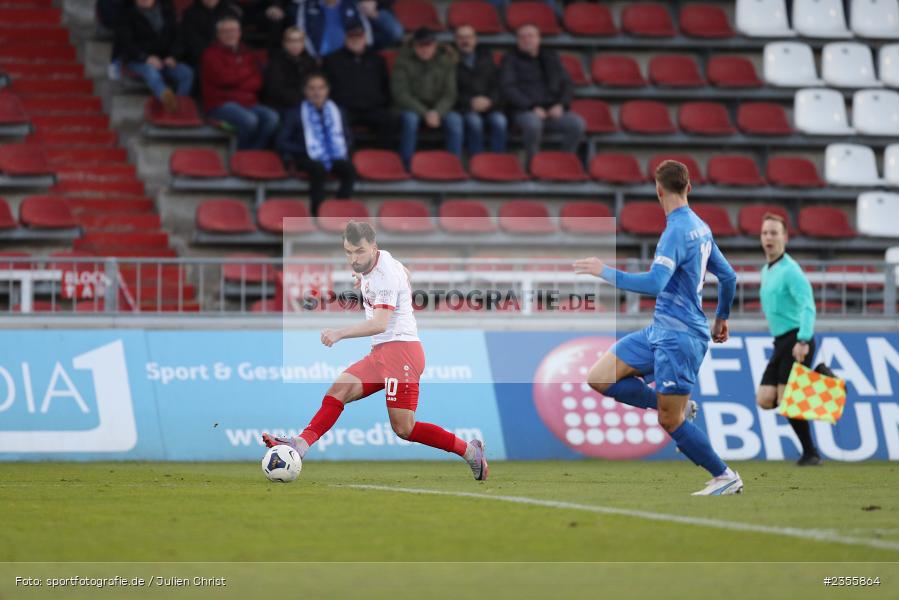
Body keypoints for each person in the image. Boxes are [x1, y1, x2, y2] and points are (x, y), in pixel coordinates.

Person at [262, 221, 489, 481]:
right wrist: (366, 277)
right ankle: (300, 445)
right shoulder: (384, 262)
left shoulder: (385, 275)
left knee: (404, 428)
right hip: (381, 354)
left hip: (402, 353)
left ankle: (471, 451)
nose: (353, 258)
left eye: (359, 251)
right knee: (338, 390)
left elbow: (380, 323)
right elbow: (407, 273)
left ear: (373, 247)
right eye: (348, 252)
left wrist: (339, 333)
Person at [574, 160, 742, 496]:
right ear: (689, 188)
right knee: (600, 377)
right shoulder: (701, 227)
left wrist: (604, 271)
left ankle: (724, 476)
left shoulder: (676, 232)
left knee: (670, 421)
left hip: (678, 337)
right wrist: (721, 318)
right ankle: (678, 405)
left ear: (658, 189)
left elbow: (655, 283)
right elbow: (728, 276)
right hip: (660, 330)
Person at [757, 213, 823, 466]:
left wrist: (804, 339)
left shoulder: (791, 270)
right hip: (780, 341)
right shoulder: (767, 270)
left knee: (787, 399)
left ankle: (810, 454)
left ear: (785, 237)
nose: (769, 238)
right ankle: (820, 379)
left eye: (774, 233)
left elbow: (808, 306)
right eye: (765, 233)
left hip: (797, 339)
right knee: (765, 399)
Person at [499, 24, 584, 163]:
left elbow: (567, 84)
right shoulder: (510, 59)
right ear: (518, 41)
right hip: (523, 110)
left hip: (552, 109)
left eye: (531, 36)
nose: (527, 40)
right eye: (522, 37)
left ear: (539, 39)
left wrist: (561, 105)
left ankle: (565, 162)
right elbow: (508, 88)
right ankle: (533, 164)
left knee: (577, 124)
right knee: (533, 124)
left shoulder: (551, 57)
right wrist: (532, 107)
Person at [275, 72, 355, 216]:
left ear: (327, 90)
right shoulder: (295, 113)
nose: (317, 92)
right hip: (305, 156)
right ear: (305, 91)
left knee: (349, 169)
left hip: (333, 154)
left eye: (321, 88)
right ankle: (317, 214)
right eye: (312, 88)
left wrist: (340, 149)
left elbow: (347, 137)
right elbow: (282, 142)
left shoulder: (338, 111)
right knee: (318, 169)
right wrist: (305, 149)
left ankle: (337, 210)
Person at [201, 16, 280, 149]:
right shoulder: (210, 54)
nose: (230, 35)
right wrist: (245, 72)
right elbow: (224, 79)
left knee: (272, 118)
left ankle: (253, 153)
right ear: (218, 34)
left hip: (248, 102)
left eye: (233, 31)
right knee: (250, 120)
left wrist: (237, 75)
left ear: (239, 33)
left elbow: (257, 82)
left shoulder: (247, 53)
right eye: (225, 31)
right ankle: (240, 155)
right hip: (220, 104)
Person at [391, 27, 461, 167]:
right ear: (414, 46)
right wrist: (425, 113)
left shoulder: (446, 61)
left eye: (428, 45)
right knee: (411, 120)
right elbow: (401, 94)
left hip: (437, 108)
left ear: (435, 45)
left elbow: (450, 94)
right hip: (411, 108)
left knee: (455, 120)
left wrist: (437, 112)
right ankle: (406, 165)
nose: (425, 49)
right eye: (420, 46)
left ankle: (454, 165)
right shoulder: (402, 61)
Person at [323, 22, 396, 148]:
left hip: (373, 108)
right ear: (345, 38)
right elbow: (326, 87)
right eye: (352, 37)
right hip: (345, 108)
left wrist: (383, 103)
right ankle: (347, 159)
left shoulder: (377, 60)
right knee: (337, 117)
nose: (356, 40)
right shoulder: (332, 60)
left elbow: (386, 86)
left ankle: (384, 158)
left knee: (391, 119)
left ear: (365, 38)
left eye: (359, 37)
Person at [114, 0, 194, 112]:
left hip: (164, 59)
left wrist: (174, 56)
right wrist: (146, 58)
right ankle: (170, 104)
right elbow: (126, 44)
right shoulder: (126, 14)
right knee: (152, 73)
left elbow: (178, 37)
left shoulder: (167, 10)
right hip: (138, 60)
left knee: (186, 73)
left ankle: (179, 105)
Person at [453, 24, 506, 155]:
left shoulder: (487, 58)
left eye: (469, 37)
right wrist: (470, 102)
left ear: (475, 39)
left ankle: (497, 161)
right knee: (474, 122)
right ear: (456, 40)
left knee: (500, 121)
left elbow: (497, 85)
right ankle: (477, 161)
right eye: (461, 38)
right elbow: (450, 90)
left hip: (490, 105)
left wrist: (489, 101)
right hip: (464, 107)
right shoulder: (450, 60)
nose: (465, 41)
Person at [263, 27, 318, 114]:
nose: (295, 44)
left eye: (299, 40)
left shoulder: (311, 62)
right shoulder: (276, 62)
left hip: (308, 103)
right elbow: (277, 91)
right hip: (284, 105)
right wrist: (303, 102)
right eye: (291, 41)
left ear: (303, 43)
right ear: (284, 43)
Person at [289, 0, 370, 58]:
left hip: (347, 58)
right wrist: (313, 55)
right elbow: (300, 31)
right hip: (319, 58)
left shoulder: (352, 4)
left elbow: (365, 29)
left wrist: (364, 52)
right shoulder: (307, 5)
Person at [179, 0, 242, 68]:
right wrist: (213, 57)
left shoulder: (230, 12)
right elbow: (193, 42)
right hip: (200, 59)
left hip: (230, 56)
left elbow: (236, 38)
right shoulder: (190, 14)